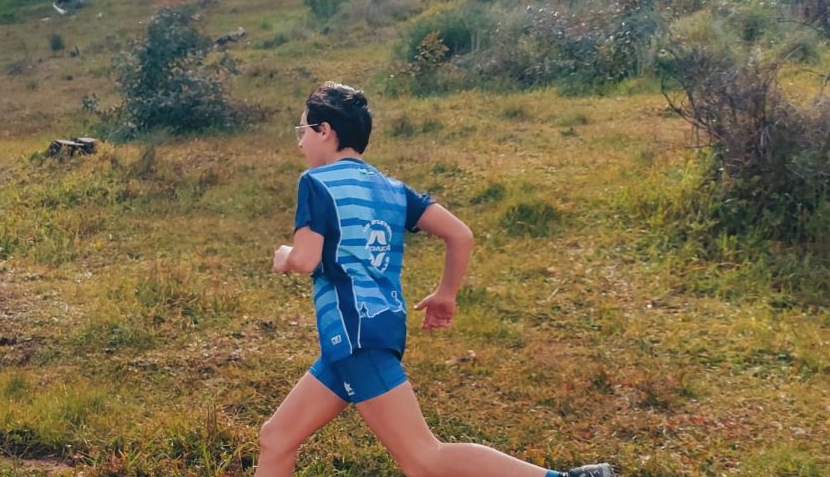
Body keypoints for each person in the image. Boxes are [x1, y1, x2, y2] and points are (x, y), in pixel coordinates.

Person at [258, 82, 616, 477]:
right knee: (277, 437)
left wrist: (284, 257)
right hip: (368, 334)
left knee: (424, 460)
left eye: (303, 131)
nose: (301, 143)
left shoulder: (317, 182)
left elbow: (306, 260)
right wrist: (446, 294)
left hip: (356, 337)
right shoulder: (392, 190)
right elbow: (460, 234)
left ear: (324, 130)